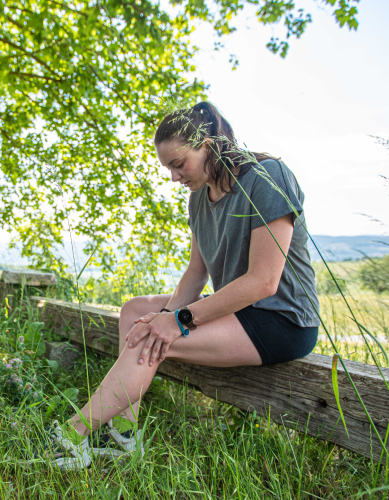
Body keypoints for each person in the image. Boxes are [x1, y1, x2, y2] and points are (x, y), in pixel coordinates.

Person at [41, 101, 320, 469]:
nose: (174, 176)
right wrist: (166, 314)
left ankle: (71, 435)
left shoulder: (267, 177)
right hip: (236, 311)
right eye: (168, 167)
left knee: (155, 338)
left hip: (281, 320)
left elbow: (264, 282)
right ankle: (124, 435)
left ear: (207, 144)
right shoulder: (198, 199)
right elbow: (195, 272)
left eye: (178, 163)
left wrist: (177, 322)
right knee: (137, 312)